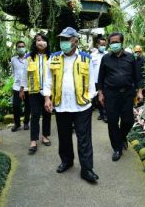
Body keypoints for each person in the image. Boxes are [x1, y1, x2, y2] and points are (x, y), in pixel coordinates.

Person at [43, 27, 99, 183]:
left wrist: (89, 99)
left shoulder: (86, 58)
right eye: (61, 39)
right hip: (61, 105)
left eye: (66, 39)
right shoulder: (53, 58)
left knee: (84, 138)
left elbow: (91, 82)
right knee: (64, 136)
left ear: (75, 40)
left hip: (82, 106)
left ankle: (87, 169)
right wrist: (47, 99)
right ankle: (67, 161)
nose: (63, 42)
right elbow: (47, 80)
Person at [98, 32, 143, 162]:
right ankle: (117, 149)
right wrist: (100, 93)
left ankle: (122, 136)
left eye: (116, 42)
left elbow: (137, 76)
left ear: (121, 42)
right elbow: (100, 77)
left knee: (128, 120)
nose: (114, 44)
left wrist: (139, 92)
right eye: (111, 42)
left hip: (127, 94)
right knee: (112, 121)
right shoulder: (105, 58)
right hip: (110, 94)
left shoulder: (130, 57)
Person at [21, 33, 52, 154]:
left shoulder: (51, 57)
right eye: (38, 40)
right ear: (35, 42)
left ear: (47, 42)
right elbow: (24, 74)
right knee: (34, 115)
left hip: (48, 91)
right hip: (34, 91)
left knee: (47, 114)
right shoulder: (29, 57)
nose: (41, 42)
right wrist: (22, 89)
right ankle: (33, 140)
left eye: (44, 40)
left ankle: (45, 136)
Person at [10, 41, 30, 132]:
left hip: (27, 87)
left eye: (22, 46)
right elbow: (13, 72)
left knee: (28, 106)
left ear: (25, 47)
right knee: (16, 106)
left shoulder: (29, 58)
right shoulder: (13, 59)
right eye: (19, 46)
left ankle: (26, 122)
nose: (21, 48)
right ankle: (17, 124)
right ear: (16, 48)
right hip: (17, 87)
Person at [91, 37, 108, 122]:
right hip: (96, 81)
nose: (103, 46)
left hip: (106, 80)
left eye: (104, 45)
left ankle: (105, 115)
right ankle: (101, 114)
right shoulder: (92, 56)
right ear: (97, 45)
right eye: (101, 45)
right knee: (98, 99)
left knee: (105, 97)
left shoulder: (108, 54)